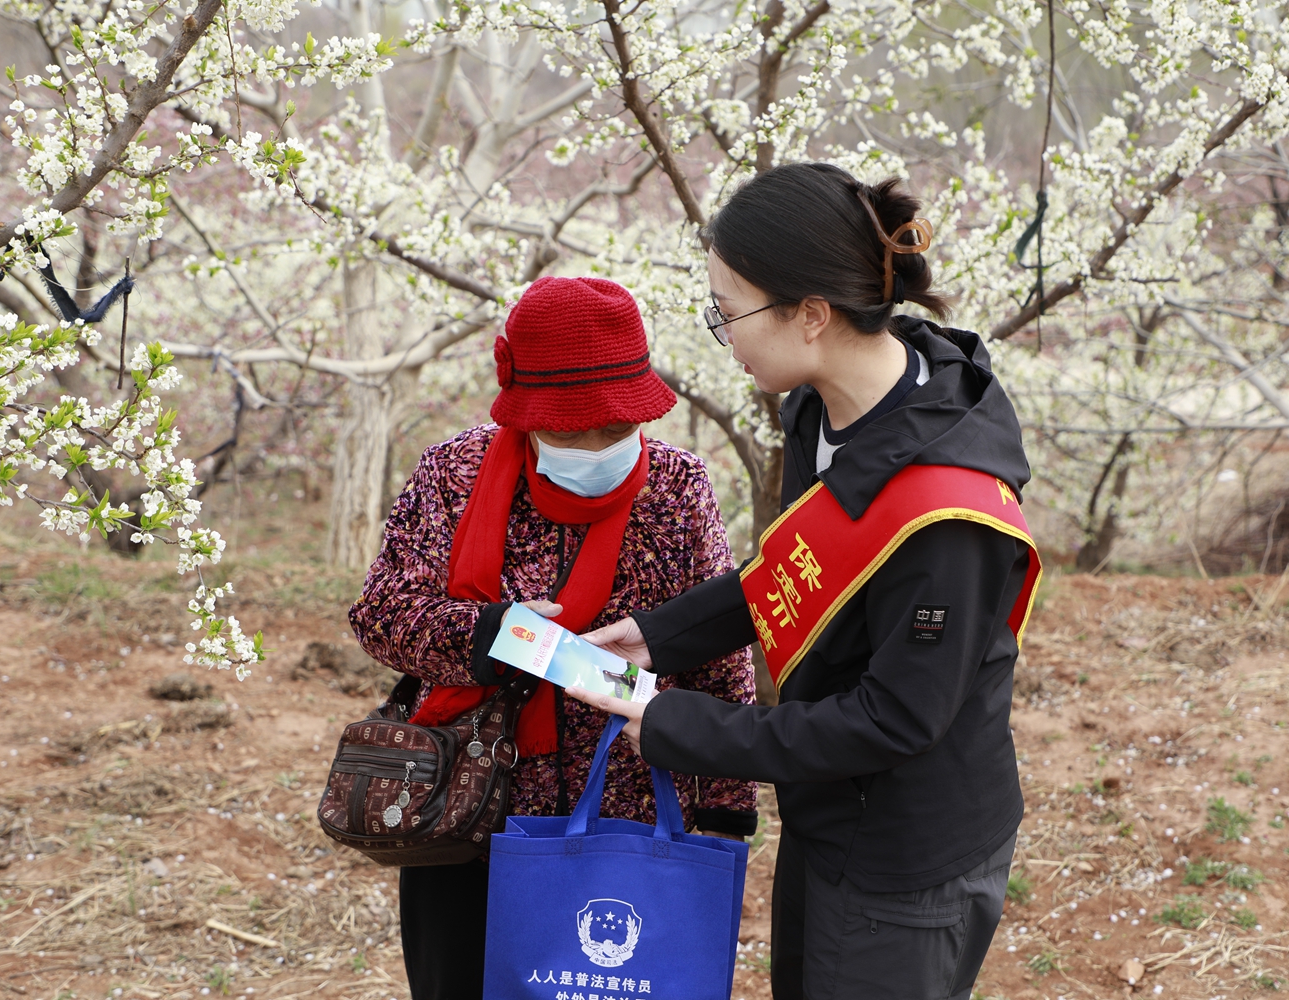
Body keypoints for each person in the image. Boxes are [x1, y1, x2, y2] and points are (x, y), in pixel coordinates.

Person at [569, 162, 1042, 1000]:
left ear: (812, 315)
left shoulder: (948, 514)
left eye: (730, 310)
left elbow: (895, 719)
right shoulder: (825, 410)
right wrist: (662, 634)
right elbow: (798, 566)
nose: (723, 330)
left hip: (902, 855)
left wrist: (682, 724)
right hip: (831, 811)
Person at [349, 276, 758, 1000]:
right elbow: (381, 613)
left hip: (625, 823)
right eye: (570, 432)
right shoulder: (456, 474)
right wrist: (490, 632)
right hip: (468, 816)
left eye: (615, 429)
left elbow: (719, 649)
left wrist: (726, 802)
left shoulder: (675, 485)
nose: (597, 447)